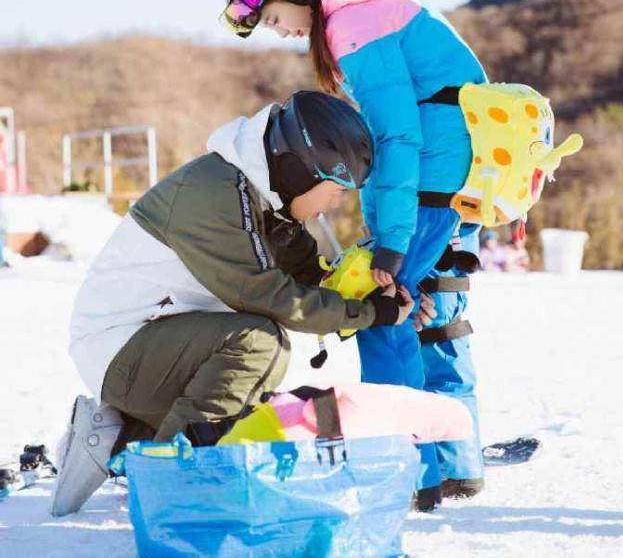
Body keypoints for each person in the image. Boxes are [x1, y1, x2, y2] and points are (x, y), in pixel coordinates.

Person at [52, 91, 419, 517]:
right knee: (258, 345)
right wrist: (371, 315)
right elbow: (270, 296)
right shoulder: (218, 195)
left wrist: (373, 295)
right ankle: (177, 485)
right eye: (336, 189)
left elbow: (310, 277)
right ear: (300, 169)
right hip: (119, 346)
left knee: (257, 372)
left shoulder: (264, 198)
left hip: (155, 339)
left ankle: (121, 436)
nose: (337, 202)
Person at [221, 0, 488, 508]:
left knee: (384, 307)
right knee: (437, 310)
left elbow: (397, 134)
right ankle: (455, 461)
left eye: (274, 18)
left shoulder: (353, 22)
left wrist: (389, 241)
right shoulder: (372, 2)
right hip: (463, 175)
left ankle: (405, 471)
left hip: (431, 181)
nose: (283, 31)